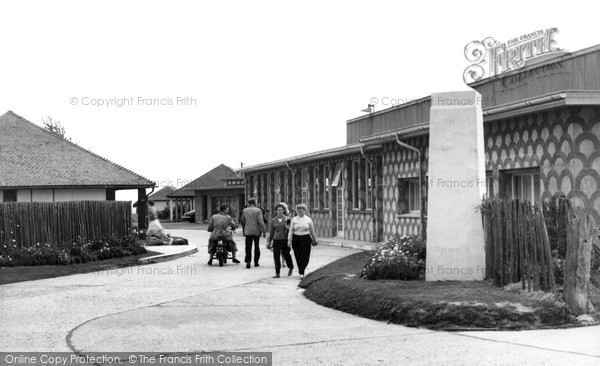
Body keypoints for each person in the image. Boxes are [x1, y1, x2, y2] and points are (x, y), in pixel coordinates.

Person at [288, 203, 318, 279]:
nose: (300, 212)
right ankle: (301, 272)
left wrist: (315, 239)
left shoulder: (308, 220)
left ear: (305, 211)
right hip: (296, 239)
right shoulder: (294, 220)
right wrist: (289, 240)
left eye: (302, 211)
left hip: (306, 239)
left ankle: (302, 269)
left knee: (306, 256)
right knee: (298, 256)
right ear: (297, 211)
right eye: (299, 211)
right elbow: (291, 230)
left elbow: (312, 230)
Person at [267, 203, 294, 278]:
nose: (280, 211)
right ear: (276, 211)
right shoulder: (273, 220)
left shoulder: (287, 219)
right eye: (278, 210)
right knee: (276, 256)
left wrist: (290, 240)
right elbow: (272, 232)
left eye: (281, 210)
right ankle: (277, 273)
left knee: (286, 254)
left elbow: (290, 230)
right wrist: (269, 241)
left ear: (283, 210)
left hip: (284, 239)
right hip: (276, 240)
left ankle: (291, 267)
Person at [240, 198, 267, 269]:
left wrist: (246, 225)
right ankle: (256, 262)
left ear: (249, 203)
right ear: (255, 203)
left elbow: (242, 219)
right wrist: (264, 231)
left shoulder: (245, 210)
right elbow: (260, 221)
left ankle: (248, 261)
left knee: (248, 246)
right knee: (256, 246)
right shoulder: (258, 210)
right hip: (256, 231)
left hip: (248, 231)